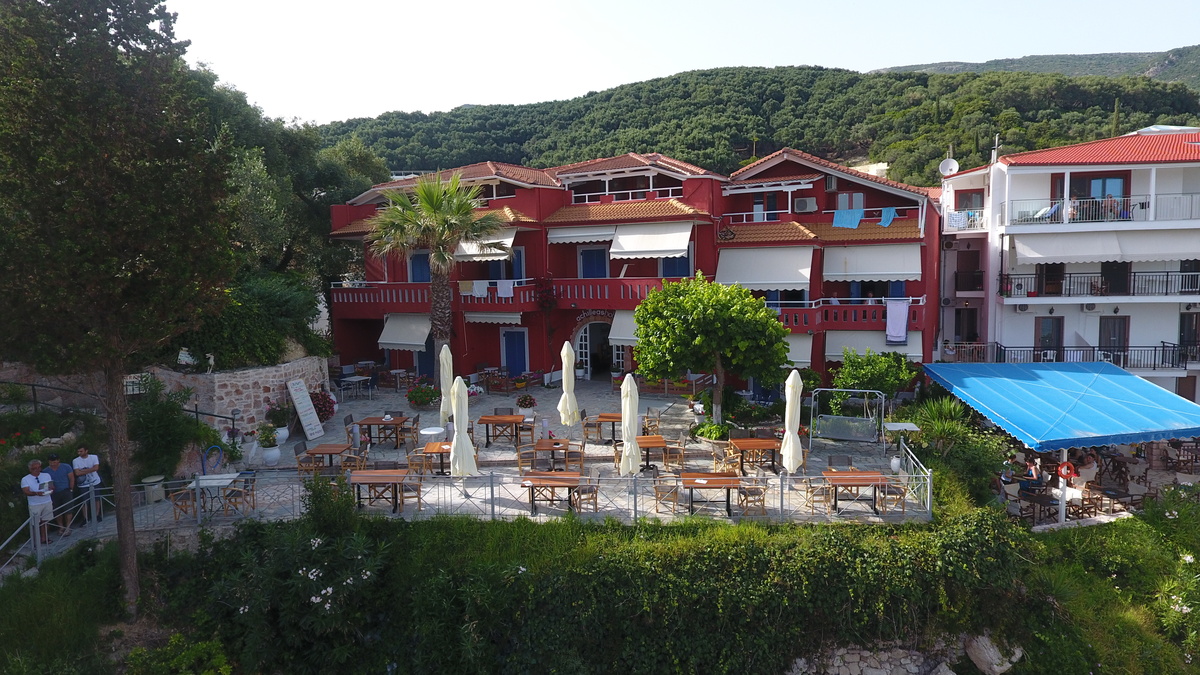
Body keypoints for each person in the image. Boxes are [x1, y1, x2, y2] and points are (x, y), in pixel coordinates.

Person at [21, 459, 54, 545]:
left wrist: (51, 489)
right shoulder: (25, 479)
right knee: (35, 523)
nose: (36, 470)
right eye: (34, 468)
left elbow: (51, 486)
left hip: (47, 501)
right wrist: (36, 493)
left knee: (46, 521)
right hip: (35, 504)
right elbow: (26, 491)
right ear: (30, 469)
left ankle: (44, 538)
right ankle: (36, 541)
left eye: (38, 468)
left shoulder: (46, 475)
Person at [44, 453, 75, 536]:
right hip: (54, 493)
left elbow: (71, 478)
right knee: (57, 511)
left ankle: (68, 527)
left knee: (68, 509)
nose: (53, 463)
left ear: (58, 460)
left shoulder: (66, 467)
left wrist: (71, 488)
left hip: (66, 490)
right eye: (51, 461)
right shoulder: (46, 471)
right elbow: (46, 482)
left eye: (54, 461)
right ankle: (61, 527)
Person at [73, 445, 102, 523]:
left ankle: (97, 515)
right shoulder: (75, 460)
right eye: (78, 451)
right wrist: (90, 469)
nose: (79, 453)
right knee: (84, 501)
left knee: (96, 499)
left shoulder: (94, 457)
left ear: (86, 451)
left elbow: (96, 468)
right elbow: (77, 473)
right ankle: (85, 518)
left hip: (95, 481)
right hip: (83, 484)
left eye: (81, 451)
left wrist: (82, 471)